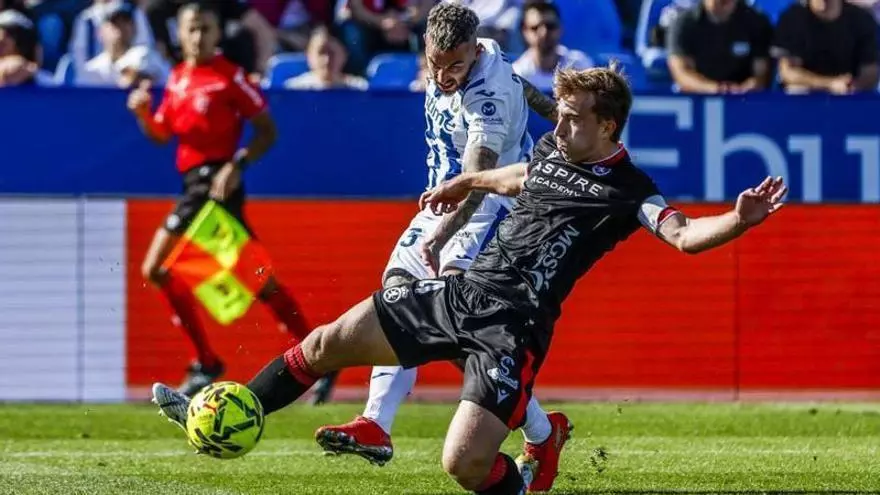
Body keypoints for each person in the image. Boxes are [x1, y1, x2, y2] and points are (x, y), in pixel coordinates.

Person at [154, 60, 787, 493]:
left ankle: (531, 457)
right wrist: (467, 180)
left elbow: (681, 236)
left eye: (572, 118)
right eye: (559, 114)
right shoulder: (551, 151)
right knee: (324, 343)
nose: (558, 125)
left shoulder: (629, 190)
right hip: (461, 292)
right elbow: (518, 177)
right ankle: (234, 411)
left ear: (608, 126)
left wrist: (737, 219)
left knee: (463, 465)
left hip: (512, 330)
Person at [315, 4, 569, 491]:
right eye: (436, 62)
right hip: (440, 211)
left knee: (457, 326)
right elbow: (527, 88)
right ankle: (376, 424)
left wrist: (441, 235)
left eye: (454, 65)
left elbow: (475, 183)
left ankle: (542, 431)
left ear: (473, 53)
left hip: (484, 213)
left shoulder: (486, 97)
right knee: (396, 294)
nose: (442, 74)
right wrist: (557, 115)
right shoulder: (483, 55)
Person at [127, 2, 315, 397]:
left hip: (215, 186)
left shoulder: (230, 77)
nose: (198, 37)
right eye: (191, 29)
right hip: (192, 185)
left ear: (217, 33)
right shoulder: (178, 77)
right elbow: (163, 133)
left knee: (157, 268)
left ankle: (208, 362)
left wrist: (236, 165)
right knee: (257, 280)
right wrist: (144, 114)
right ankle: (316, 350)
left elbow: (266, 131)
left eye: (205, 29)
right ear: (179, 33)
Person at [666, 0, 774, 94]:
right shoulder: (684, 23)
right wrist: (715, 89)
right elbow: (682, 72)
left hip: (744, 100)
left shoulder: (757, 22)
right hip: (698, 98)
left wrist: (745, 89)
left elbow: (761, 73)